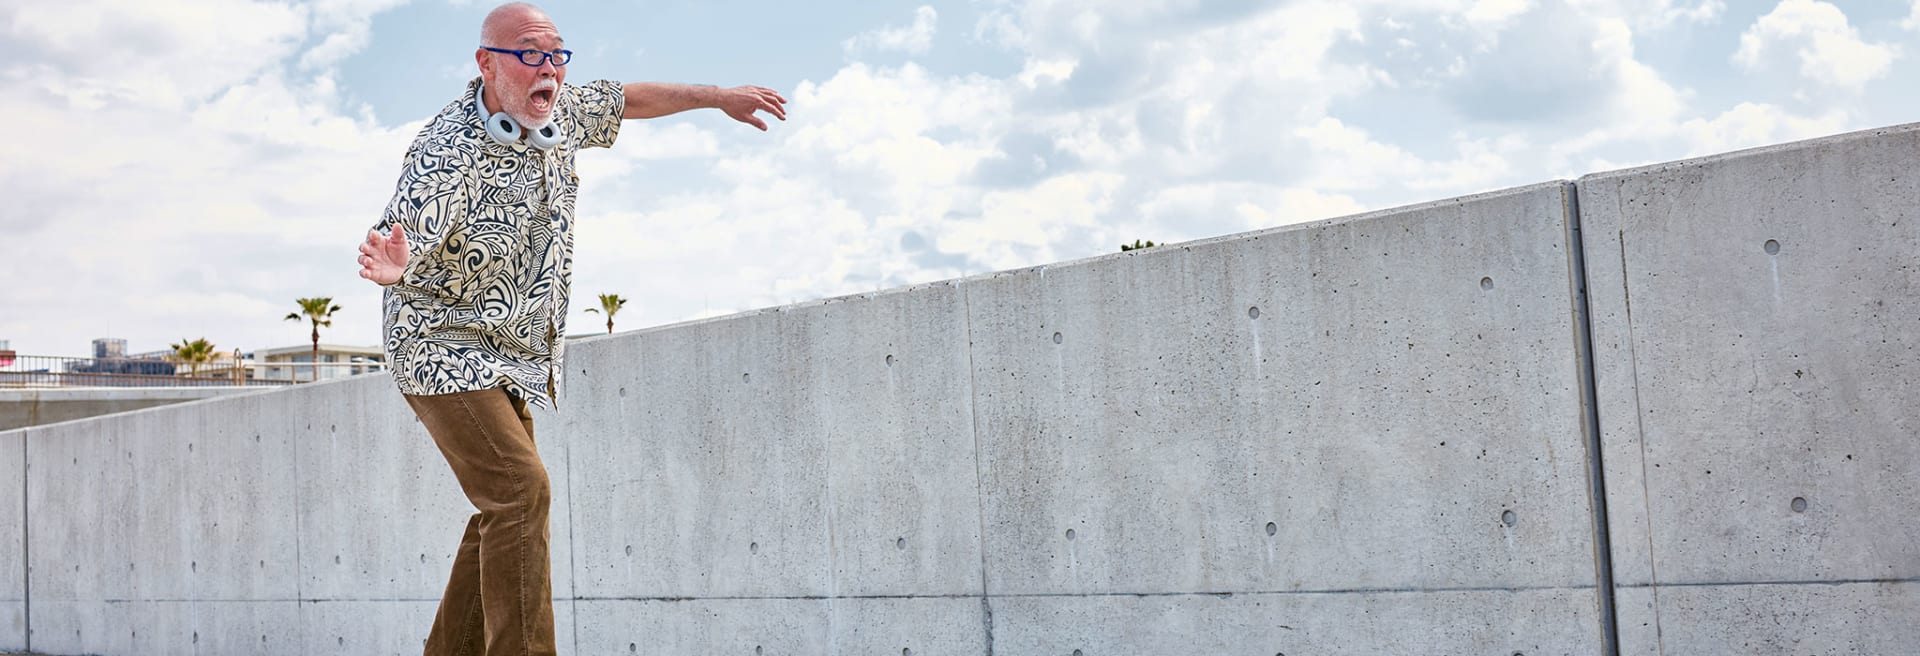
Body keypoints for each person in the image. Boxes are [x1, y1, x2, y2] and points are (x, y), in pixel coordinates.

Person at [354, 3, 786, 654]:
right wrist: (396, 263)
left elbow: (626, 99)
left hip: (513, 354)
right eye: (530, 54)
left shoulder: (558, 110)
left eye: (556, 54)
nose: (548, 68)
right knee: (521, 494)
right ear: (486, 64)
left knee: (506, 511)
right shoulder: (447, 150)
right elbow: (404, 235)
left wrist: (716, 97)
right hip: (440, 344)